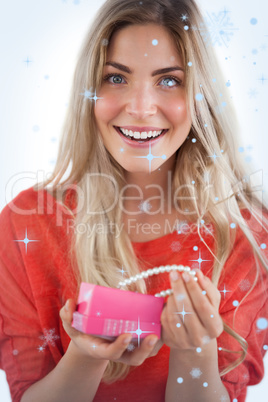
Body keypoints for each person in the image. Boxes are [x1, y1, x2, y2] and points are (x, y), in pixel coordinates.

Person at [0, 0, 267, 401]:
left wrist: (195, 352)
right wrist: (87, 357)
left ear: (201, 97)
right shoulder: (25, 226)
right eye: (116, 78)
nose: (141, 109)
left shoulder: (248, 234)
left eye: (170, 80)